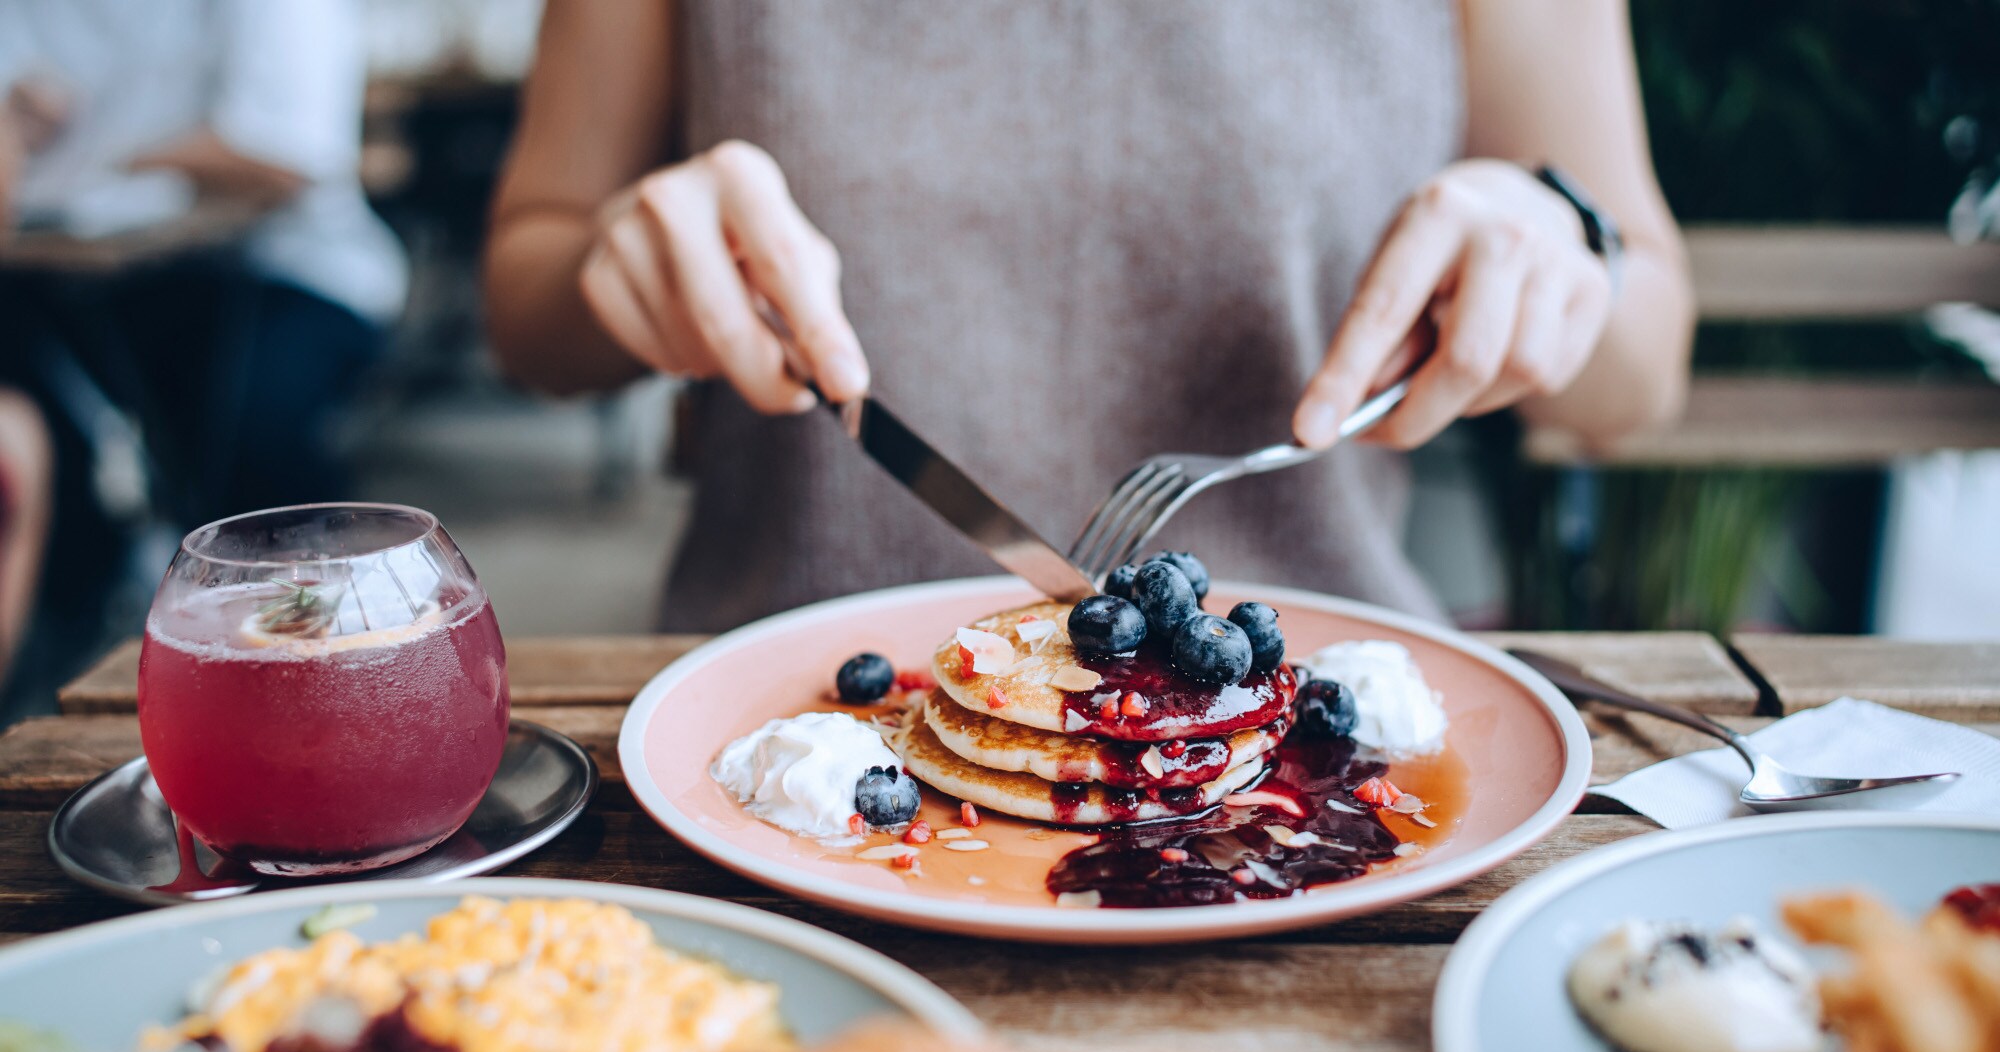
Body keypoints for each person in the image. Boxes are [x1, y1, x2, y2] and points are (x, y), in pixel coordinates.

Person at [486, 0, 1694, 631]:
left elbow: (1643, 372)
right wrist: (620, 266)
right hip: (777, 737)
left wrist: (1559, 250)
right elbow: (525, 305)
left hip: (1321, 771)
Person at [0, 0, 406, 525]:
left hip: (290, 272)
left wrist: (99, 164)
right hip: (92, 280)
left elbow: (284, 158)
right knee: (44, 401)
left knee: (255, 440)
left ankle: (285, 591)